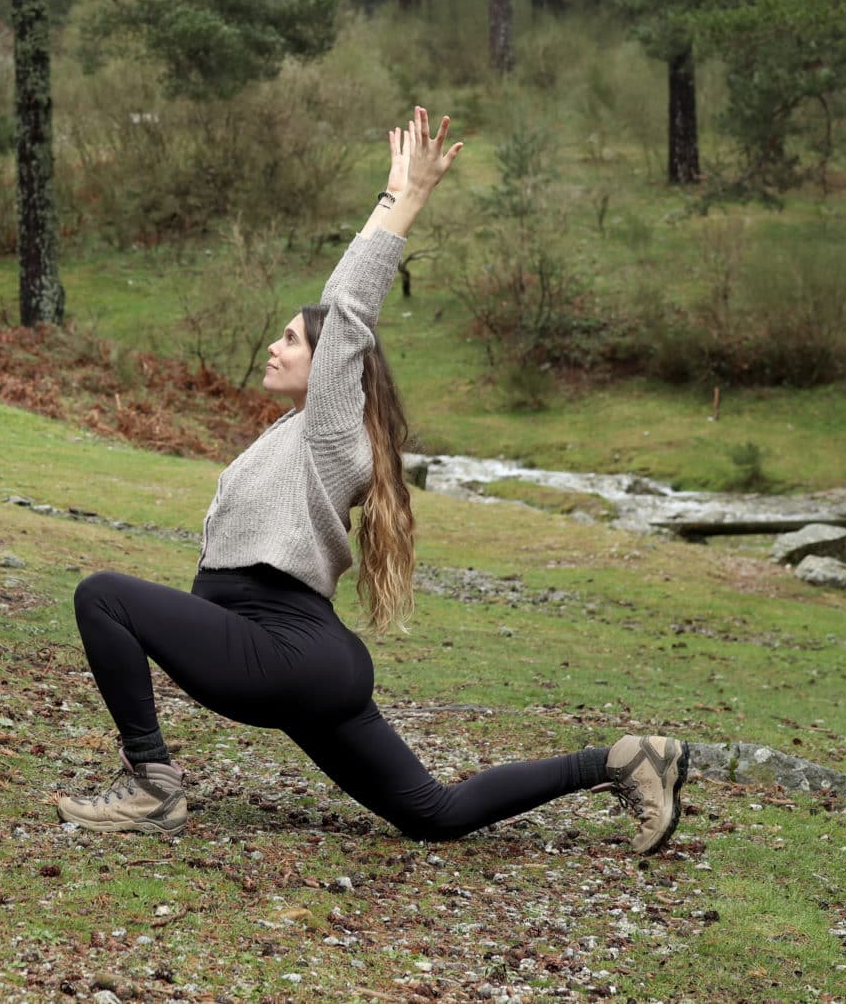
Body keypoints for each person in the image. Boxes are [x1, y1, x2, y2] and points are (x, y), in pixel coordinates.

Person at [54, 106, 687, 852]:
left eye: (291, 337)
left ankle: (153, 787)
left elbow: (350, 305)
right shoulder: (296, 434)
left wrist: (403, 196)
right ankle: (622, 759)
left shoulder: (331, 429)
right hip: (306, 654)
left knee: (103, 596)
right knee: (432, 812)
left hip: (280, 648)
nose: (274, 343)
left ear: (332, 366)